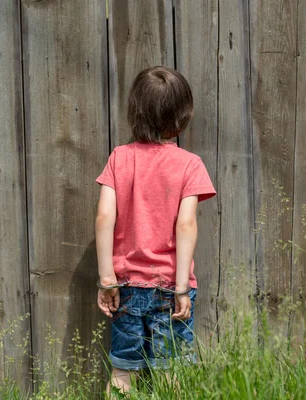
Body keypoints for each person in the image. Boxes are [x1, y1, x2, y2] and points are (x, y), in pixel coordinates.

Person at [95, 66, 216, 395]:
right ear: (182, 117)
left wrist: (107, 280)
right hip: (169, 288)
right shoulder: (189, 164)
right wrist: (180, 288)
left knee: (122, 372)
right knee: (170, 373)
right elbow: (186, 224)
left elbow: (105, 217)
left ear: (134, 111)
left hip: (126, 286)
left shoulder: (120, 158)